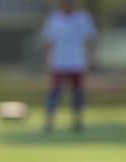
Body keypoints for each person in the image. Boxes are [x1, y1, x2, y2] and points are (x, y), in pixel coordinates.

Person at [41, 0, 97, 132]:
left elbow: (91, 39)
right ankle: (49, 122)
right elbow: (49, 41)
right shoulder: (54, 19)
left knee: (78, 93)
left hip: (77, 62)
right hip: (58, 62)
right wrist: (47, 59)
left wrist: (92, 57)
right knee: (55, 92)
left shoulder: (83, 19)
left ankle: (77, 122)